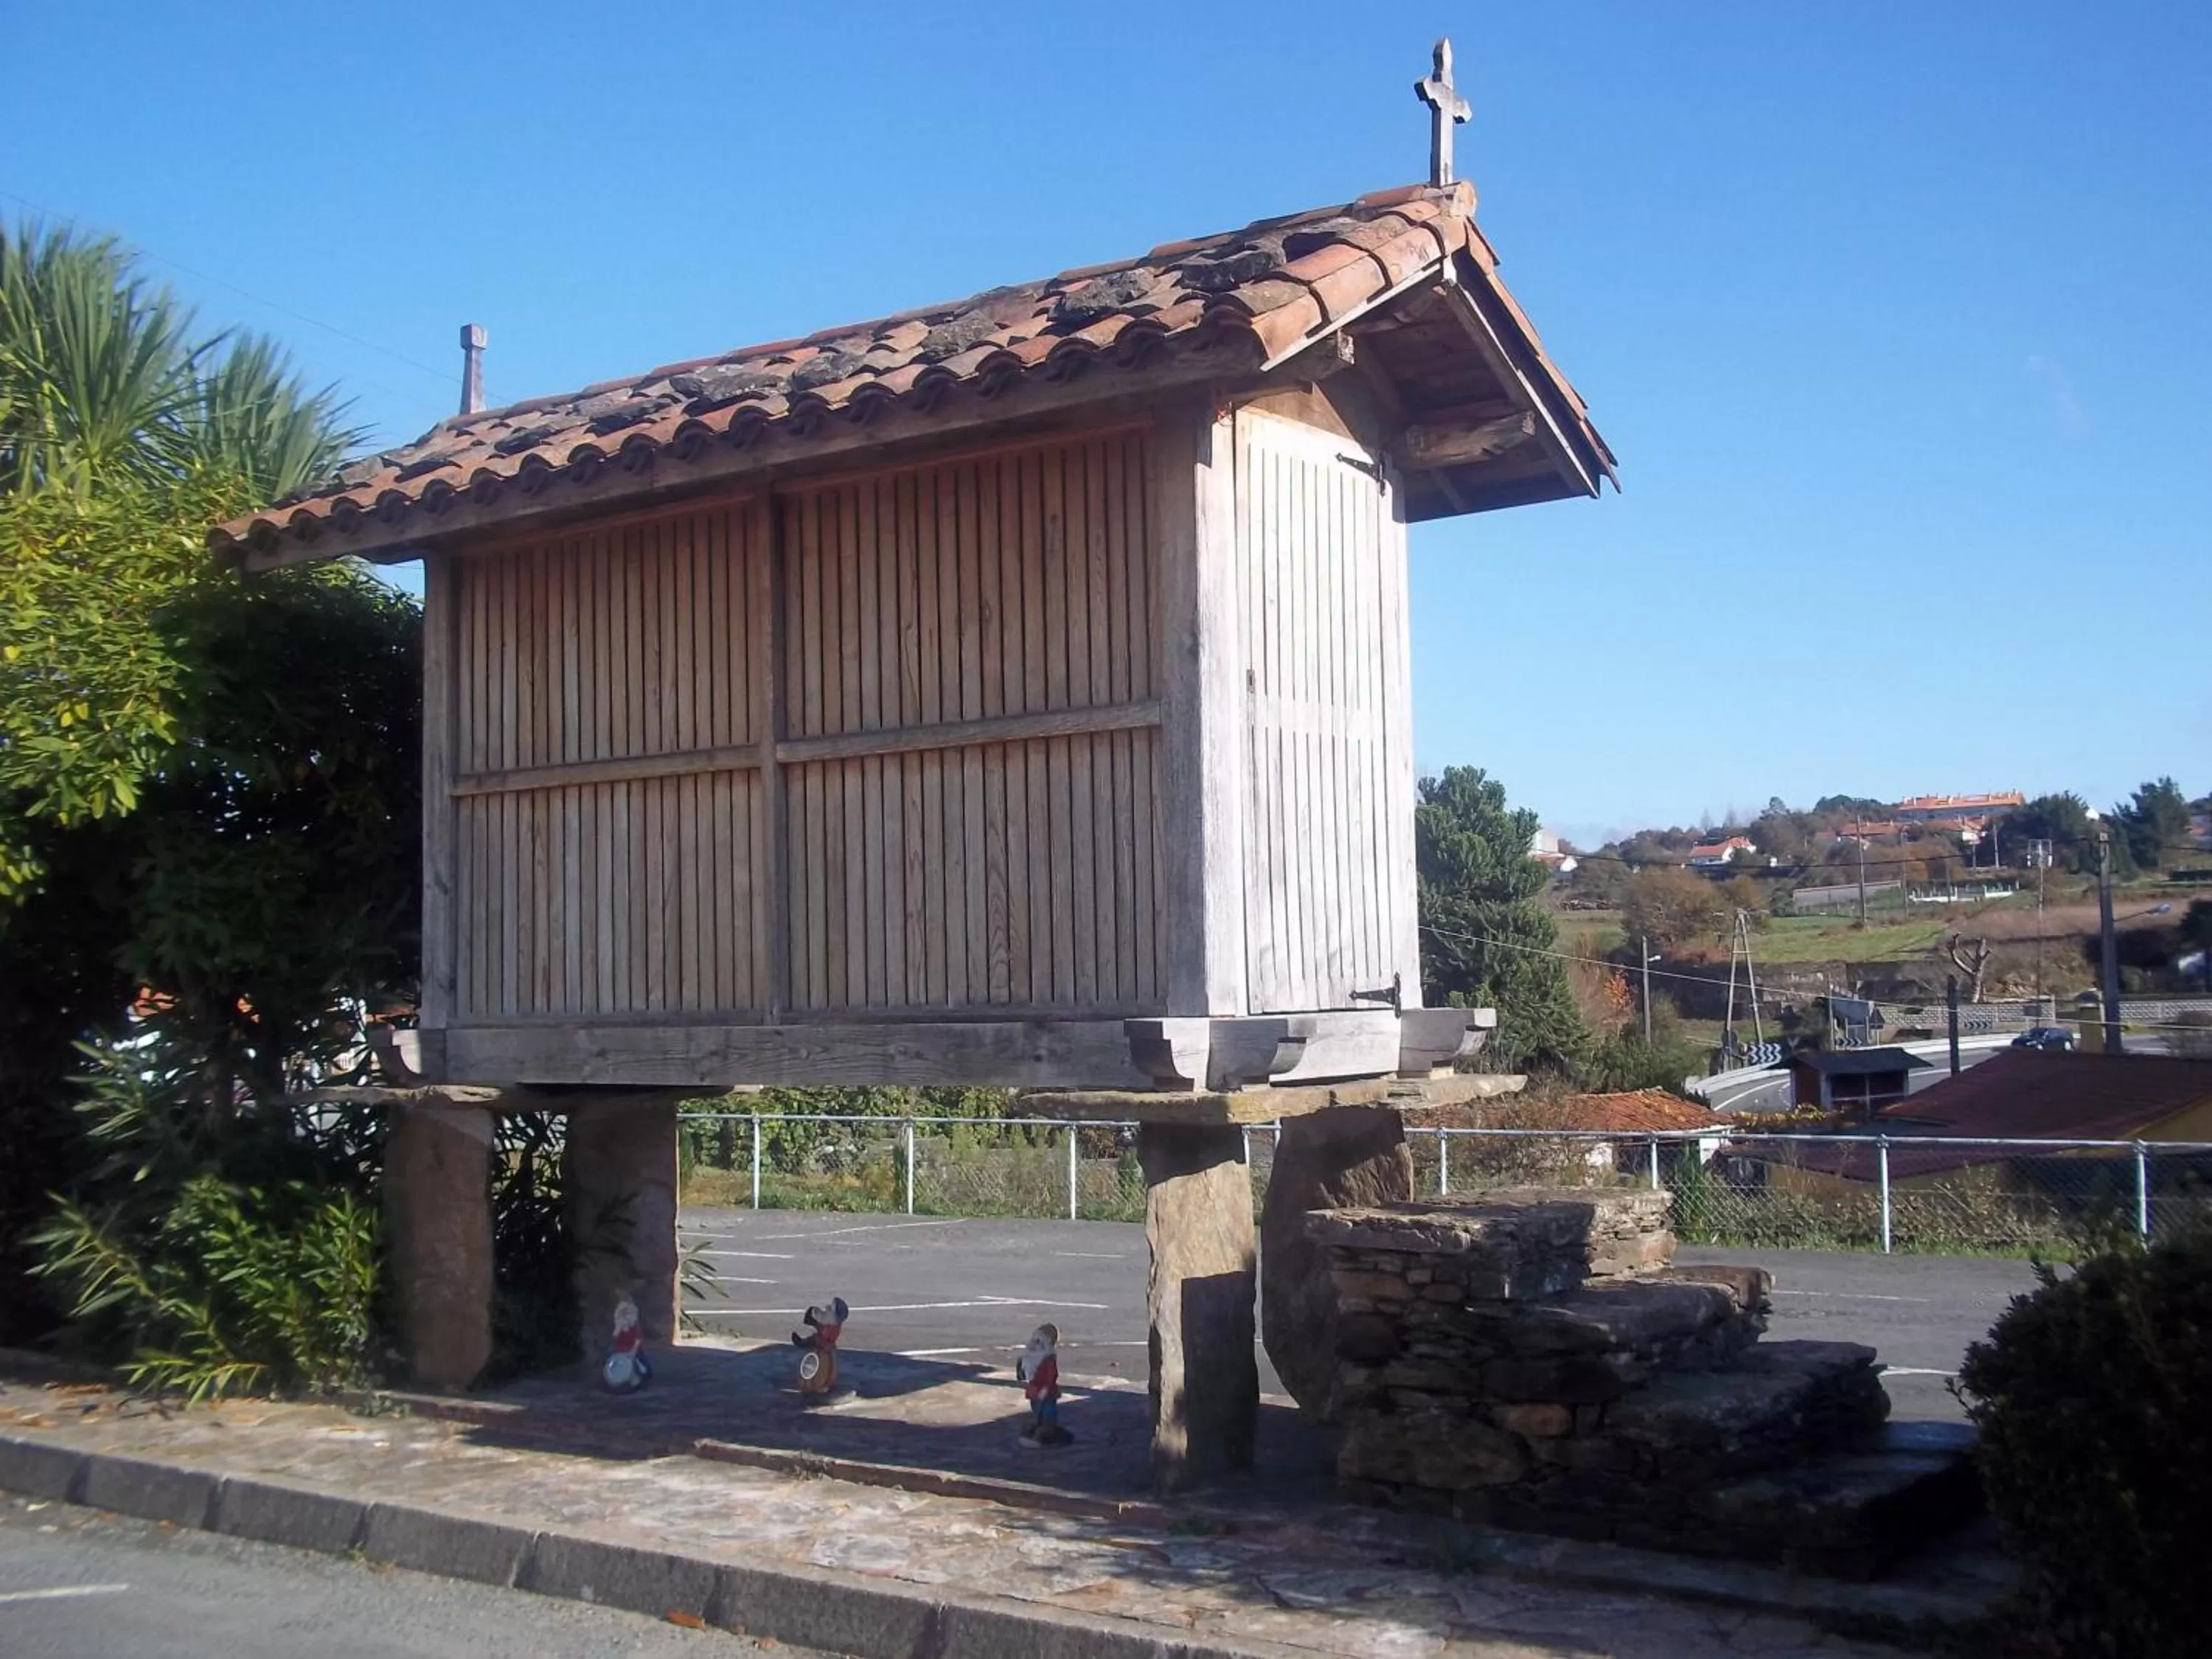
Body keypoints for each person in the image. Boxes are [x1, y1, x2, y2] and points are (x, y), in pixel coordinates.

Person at [1015, 1322, 1071, 1446]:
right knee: (1037, 1411)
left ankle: (1045, 1436)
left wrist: (1046, 1388)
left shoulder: (1048, 1358)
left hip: (1046, 1391)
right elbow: (1025, 1373)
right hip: (1034, 1389)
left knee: (1047, 1413)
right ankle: (1038, 1430)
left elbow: (1051, 1375)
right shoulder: (1031, 1357)